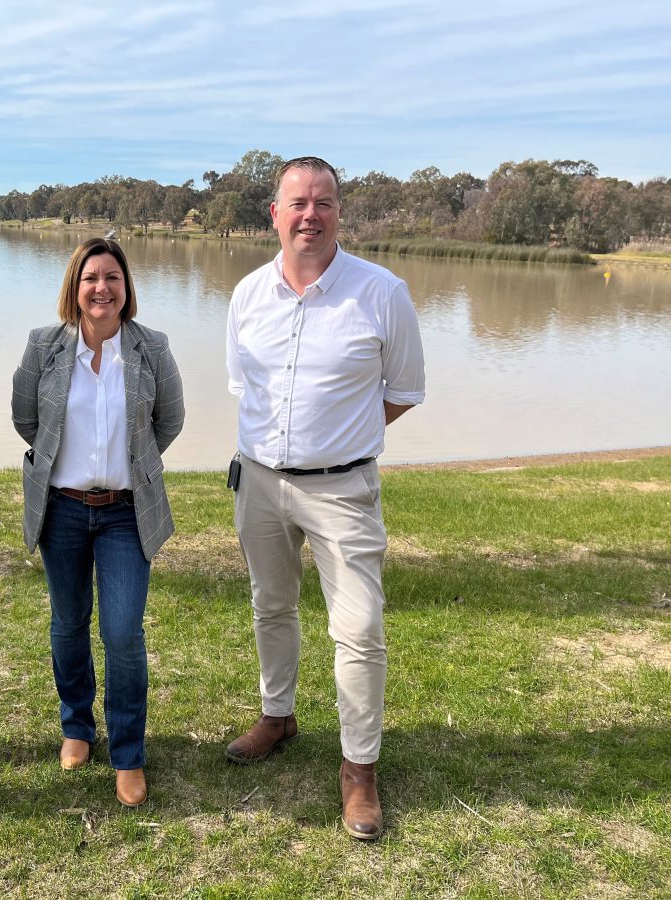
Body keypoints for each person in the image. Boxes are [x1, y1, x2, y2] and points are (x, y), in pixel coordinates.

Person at [223, 157, 425, 840]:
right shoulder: (246, 295)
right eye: (298, 202)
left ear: (340, 212)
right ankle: (277, 716)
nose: (310, 214)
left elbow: (401, 391)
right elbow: (243, 389)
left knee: (360, 628)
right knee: (270, 604)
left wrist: (340, 440)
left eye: (324, 202)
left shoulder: (382, 292)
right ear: (274, 214)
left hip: (343, 488)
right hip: (258, 481)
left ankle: (359, 769)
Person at [12, 238, 184, 808]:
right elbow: (26, 418)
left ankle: (128, 752)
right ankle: (77, 727)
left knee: (122, 633)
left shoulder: (151, 348)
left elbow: (170, 420)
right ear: (75, 286)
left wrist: (129, 465)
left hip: (125, 513)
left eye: (113, 277)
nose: (102, 288)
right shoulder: (44, 346)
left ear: (126, 286)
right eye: (91, 278)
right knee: (68, 623)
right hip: (60, 508)